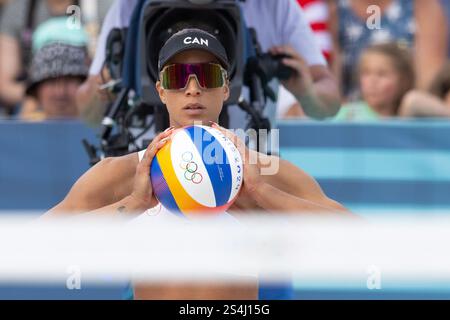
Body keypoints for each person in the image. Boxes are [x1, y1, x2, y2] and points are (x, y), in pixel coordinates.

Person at [45, 28, 348, 299]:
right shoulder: (124, 173)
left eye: (208, 76)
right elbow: (34, 242)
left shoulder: (263, 172)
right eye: (177, 77)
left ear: (226, 88)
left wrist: (261, 194)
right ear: (161, 90)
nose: (193, 88)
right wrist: (135, 203)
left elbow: (357, 237)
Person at [76, 0, 341, 130]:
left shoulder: (273, 6)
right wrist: (110, 77)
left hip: (248, 172)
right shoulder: (131, 8)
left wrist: (307, 92)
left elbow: (328, 104)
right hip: (145, 169)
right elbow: (88, 114)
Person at [327, 0, 448, 100]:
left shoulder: (422, 5)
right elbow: (328, 82)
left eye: (381, 74)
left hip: (404, 120)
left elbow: (430, 85)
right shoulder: (331, 8)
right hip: (348, 118)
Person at [333, 42, 414, 121]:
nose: (372, 82)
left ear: (403, 80)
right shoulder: (347, 117)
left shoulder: (411, 118)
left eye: (382, 74)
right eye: (366, 73)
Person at [19, 42, 89, 121]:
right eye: (51, 82)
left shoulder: (101, 130)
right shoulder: (23, 131)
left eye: (69, 81)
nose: (60, 92)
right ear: (36, 92)